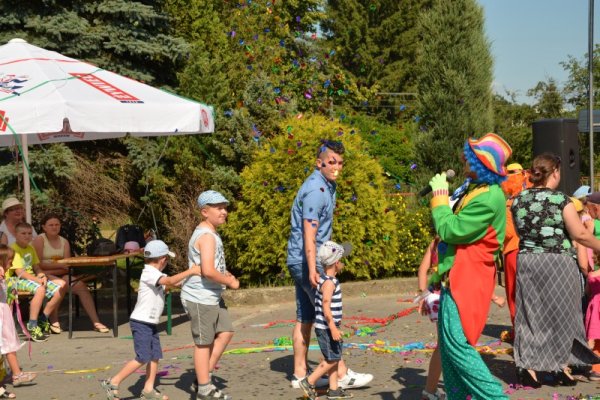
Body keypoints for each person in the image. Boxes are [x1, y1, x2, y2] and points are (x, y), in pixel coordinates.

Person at [428, 132, 512, 399]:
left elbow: (451, 230)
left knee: (458, 346)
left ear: (481, 164)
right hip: (456, 275)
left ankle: (496, 397)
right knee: (448, 350)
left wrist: (439, 199)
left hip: (469, 277)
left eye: (470, 156)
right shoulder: (475, 189)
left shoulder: (489, 197)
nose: (464, 158)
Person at [286, 140, 372, 390]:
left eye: (340, 163)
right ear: (319, 163)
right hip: (307, 261)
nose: (337, 167)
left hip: (300, 259)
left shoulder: (324, 185)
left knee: (305, 317)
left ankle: (299, 374)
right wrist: (314, 268)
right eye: (331, 162)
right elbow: (309, 233)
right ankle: (341, 373)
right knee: (328, 315)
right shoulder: (317, 190)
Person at [511, 153, 600, 388]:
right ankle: (559, 365)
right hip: (558, 262)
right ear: (556, 172)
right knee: (563, 314)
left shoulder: (518, 200)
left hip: (528, 261)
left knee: (530, 314)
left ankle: (527, 368)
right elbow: (579, 234)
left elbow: (520, 233)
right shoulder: (561, 200)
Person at [101, 240, 201, 400]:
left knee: (155, 355)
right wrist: (191, 271)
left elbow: (171, 284)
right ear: (163, 259)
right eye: (167, 260)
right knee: (143, 357)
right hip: (141, 322)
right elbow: (169, 281)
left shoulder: (156, 275)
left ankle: (148, 389)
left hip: (150, 323)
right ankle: (113, 382)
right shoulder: (149, 273)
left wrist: (193, 278)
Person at [181, 190, 240, 400]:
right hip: (200, 297)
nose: (224, 212)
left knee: (226, 332)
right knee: (203, 343)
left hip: (212, 295)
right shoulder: (206, 236)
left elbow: (213, 266)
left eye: (225, 208)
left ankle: (202, 376)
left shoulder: (211, 233)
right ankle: (204, 388)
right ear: (205, 212)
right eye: (219, 208)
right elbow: (207, 271)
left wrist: (225, 274)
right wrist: (229, 281)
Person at [32, 213, 109, 334]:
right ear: (44, 227)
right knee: (61, 285)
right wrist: (58, 266)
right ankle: (53, 319)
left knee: (81, 286)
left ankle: (96, 322)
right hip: (43, 274)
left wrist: (57, 268)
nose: (54, 227)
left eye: (57, 224)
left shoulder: (64, 242)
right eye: (51, 225)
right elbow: (38, 264)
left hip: (59, 273)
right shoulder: (39, 239)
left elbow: (67, 266)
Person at [298, 241, 352, 400]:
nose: (342, 263)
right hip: (327, 328)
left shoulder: (325, 279)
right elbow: (326, 306)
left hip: (328, 327)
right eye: (341, 260)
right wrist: (333, 328)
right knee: (331, 359)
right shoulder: (329, 283)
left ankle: (334, 389)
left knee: (334, 357)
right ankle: (309, 381)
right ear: (336, 263)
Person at [7, 222, 64, 342]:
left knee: (60, 288)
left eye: (29, 233)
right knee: (40, 289)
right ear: (16, 235)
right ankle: (32, 325)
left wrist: (41, 275)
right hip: (16, 280)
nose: (27, 236)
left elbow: (36, 267)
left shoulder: (30, 248)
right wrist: (37, 280)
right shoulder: (13, 249)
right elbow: (20, 272)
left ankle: (43, 318)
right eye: (23, 233)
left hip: (30, 278)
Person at [0, 245, 36, 397]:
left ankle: (12, 374)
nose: (10, 264)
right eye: (9, 261)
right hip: (1, 315)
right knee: (7, 344)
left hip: (4, 312)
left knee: (7, 345)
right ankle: (15, 374)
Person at [500, 162, 531, 333]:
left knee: (513, 293)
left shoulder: (510, 203)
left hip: (513, 250)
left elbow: (507, 233)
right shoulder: (530, 198)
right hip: (531, 250)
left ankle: (518, 331)